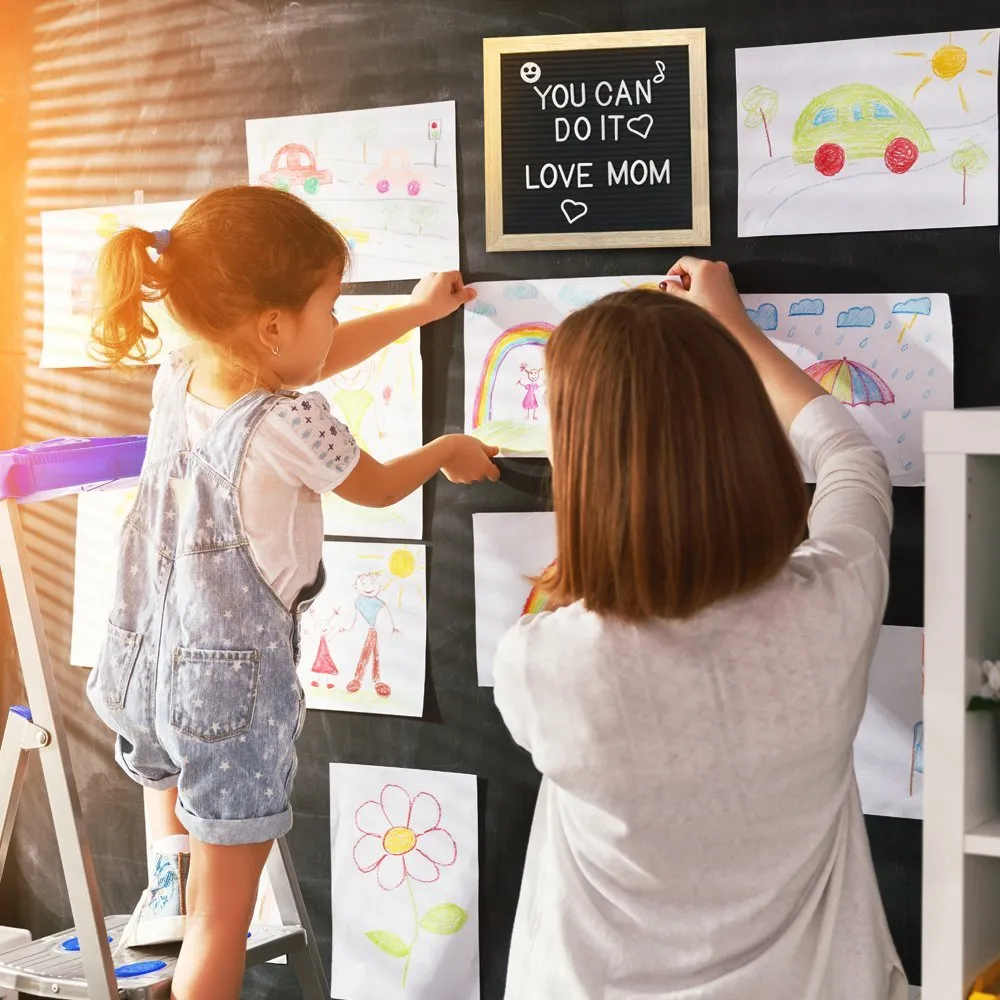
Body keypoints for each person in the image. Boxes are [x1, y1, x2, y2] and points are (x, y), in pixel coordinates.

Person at [84, 185, 498, 1000]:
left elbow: (308, 354)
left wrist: (414, 316)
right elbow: (376, 487)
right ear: (273, 326)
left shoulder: (183, 371)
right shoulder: (287, 419)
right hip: (224, 693)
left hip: (140, 660)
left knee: (181, 881)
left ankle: (167, 881)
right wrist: (448, 447)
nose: (337, 324)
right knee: (219, 928)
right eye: (332, 307)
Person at [493, 258, 904, 1000]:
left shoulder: (543, 663)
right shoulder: (835, 600)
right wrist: (734, 329)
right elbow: (850, 459)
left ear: (588, 470)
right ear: (745, 439)